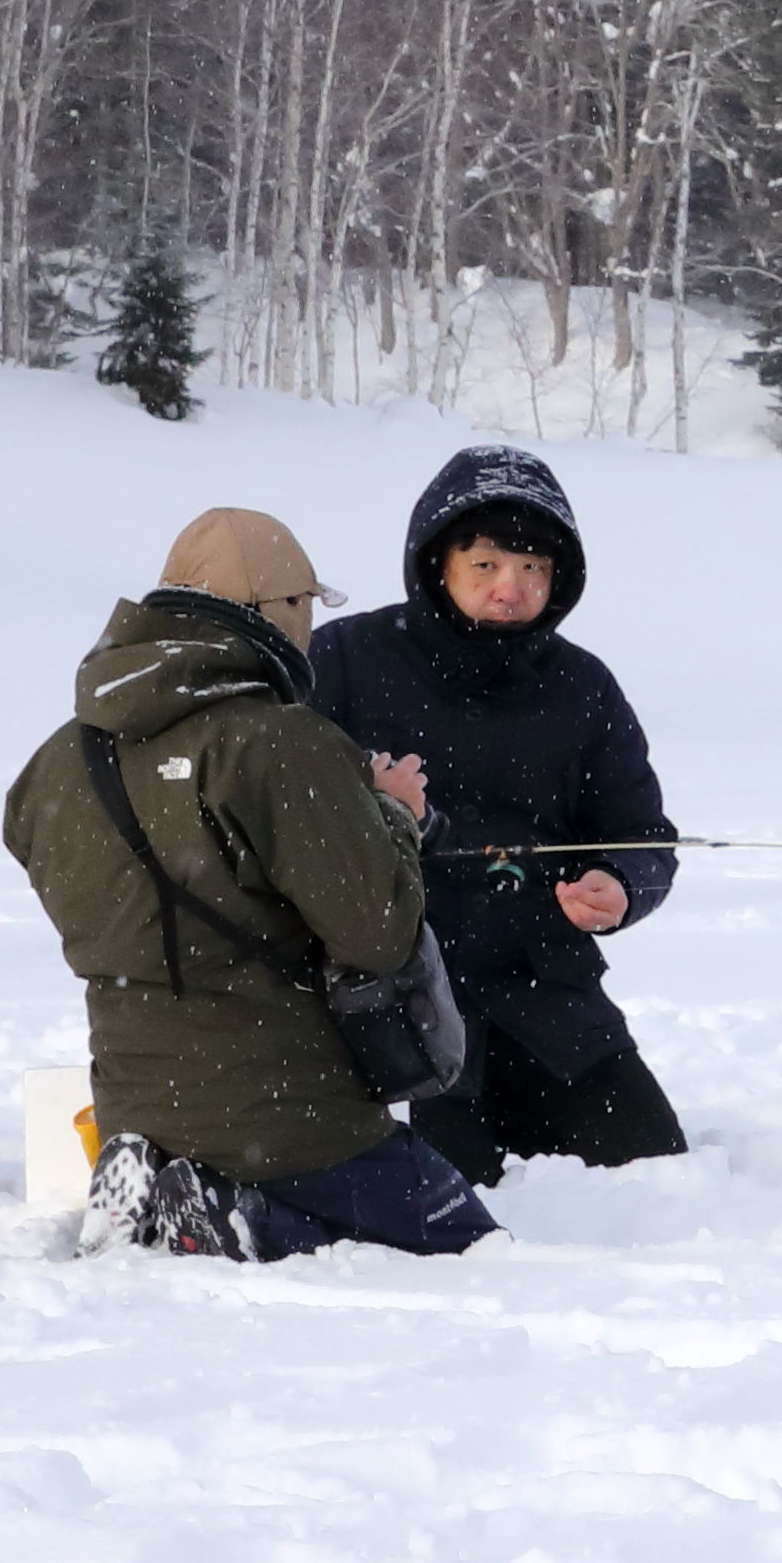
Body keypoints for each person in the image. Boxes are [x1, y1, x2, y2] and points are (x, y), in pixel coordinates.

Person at [1, 503, 499, 1263]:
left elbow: (44, 853)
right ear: (280, 610)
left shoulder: (58, 759)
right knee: (474, 1251)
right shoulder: (278, 741)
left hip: (136, 1107)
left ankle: (182, 1198)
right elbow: (378, 929)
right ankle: (245, 1214)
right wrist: (391, 815)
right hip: (295, 1122)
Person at [307, 442, 689, 1181]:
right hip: (394, 996)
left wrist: (620, 886)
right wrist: (371, 811)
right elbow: (270, 811)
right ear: (436, 561)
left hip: (545, 992)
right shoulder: (344, 660)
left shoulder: (582, 686)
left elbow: (644, 835)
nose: (510, 588)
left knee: (656, 1174)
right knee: (451, 1202)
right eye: (486, 564)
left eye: (533, 568)